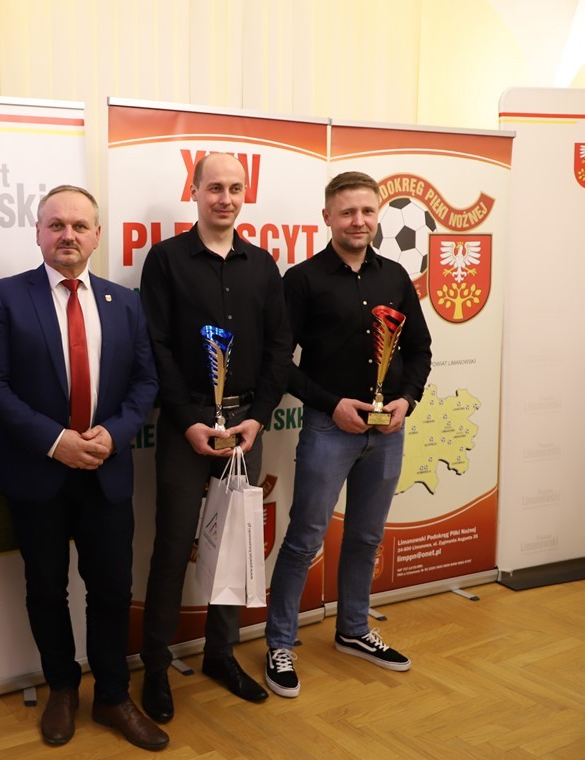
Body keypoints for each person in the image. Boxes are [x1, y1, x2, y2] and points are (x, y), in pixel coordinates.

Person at [0, 185, 167, 751]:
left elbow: (146, 382)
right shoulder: (5, 297)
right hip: (37, 473)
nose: (68, 235)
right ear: (38, 232)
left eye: (80, 226)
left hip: (106, 471)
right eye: (56, 224)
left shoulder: (124, 301)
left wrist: (115, 433)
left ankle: (112, 695)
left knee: (111, 589)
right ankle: (61, 688)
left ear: (96, 235)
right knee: (46, 589)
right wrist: (55, 441)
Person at [263, 171, 431, 698]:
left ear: (378, 215)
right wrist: (330, 405)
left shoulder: (396, 276)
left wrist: (408, 399)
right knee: (304, 538)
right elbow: (279, 363)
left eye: (367, 211)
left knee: (366, 536)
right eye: (347, 212)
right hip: (328, 428)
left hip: (388, 431)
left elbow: (420, 349)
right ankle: (279, 644)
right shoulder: (302, 279)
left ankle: (354, 629)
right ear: (328, 218)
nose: (359, 221)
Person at [139, 153, 292, 721]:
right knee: (173, 546)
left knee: (235, 545)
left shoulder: (263, 265)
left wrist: (260, 416)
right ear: (195, 191)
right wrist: (185, 419)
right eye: (214, 188)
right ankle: (156, 667)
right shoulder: (166, 260)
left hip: (245, 427)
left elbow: (279, 348)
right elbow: (155, 345)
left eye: (235, 188)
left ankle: (220, 655)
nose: (225, 198)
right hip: (189, 425)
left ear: (244, 194)